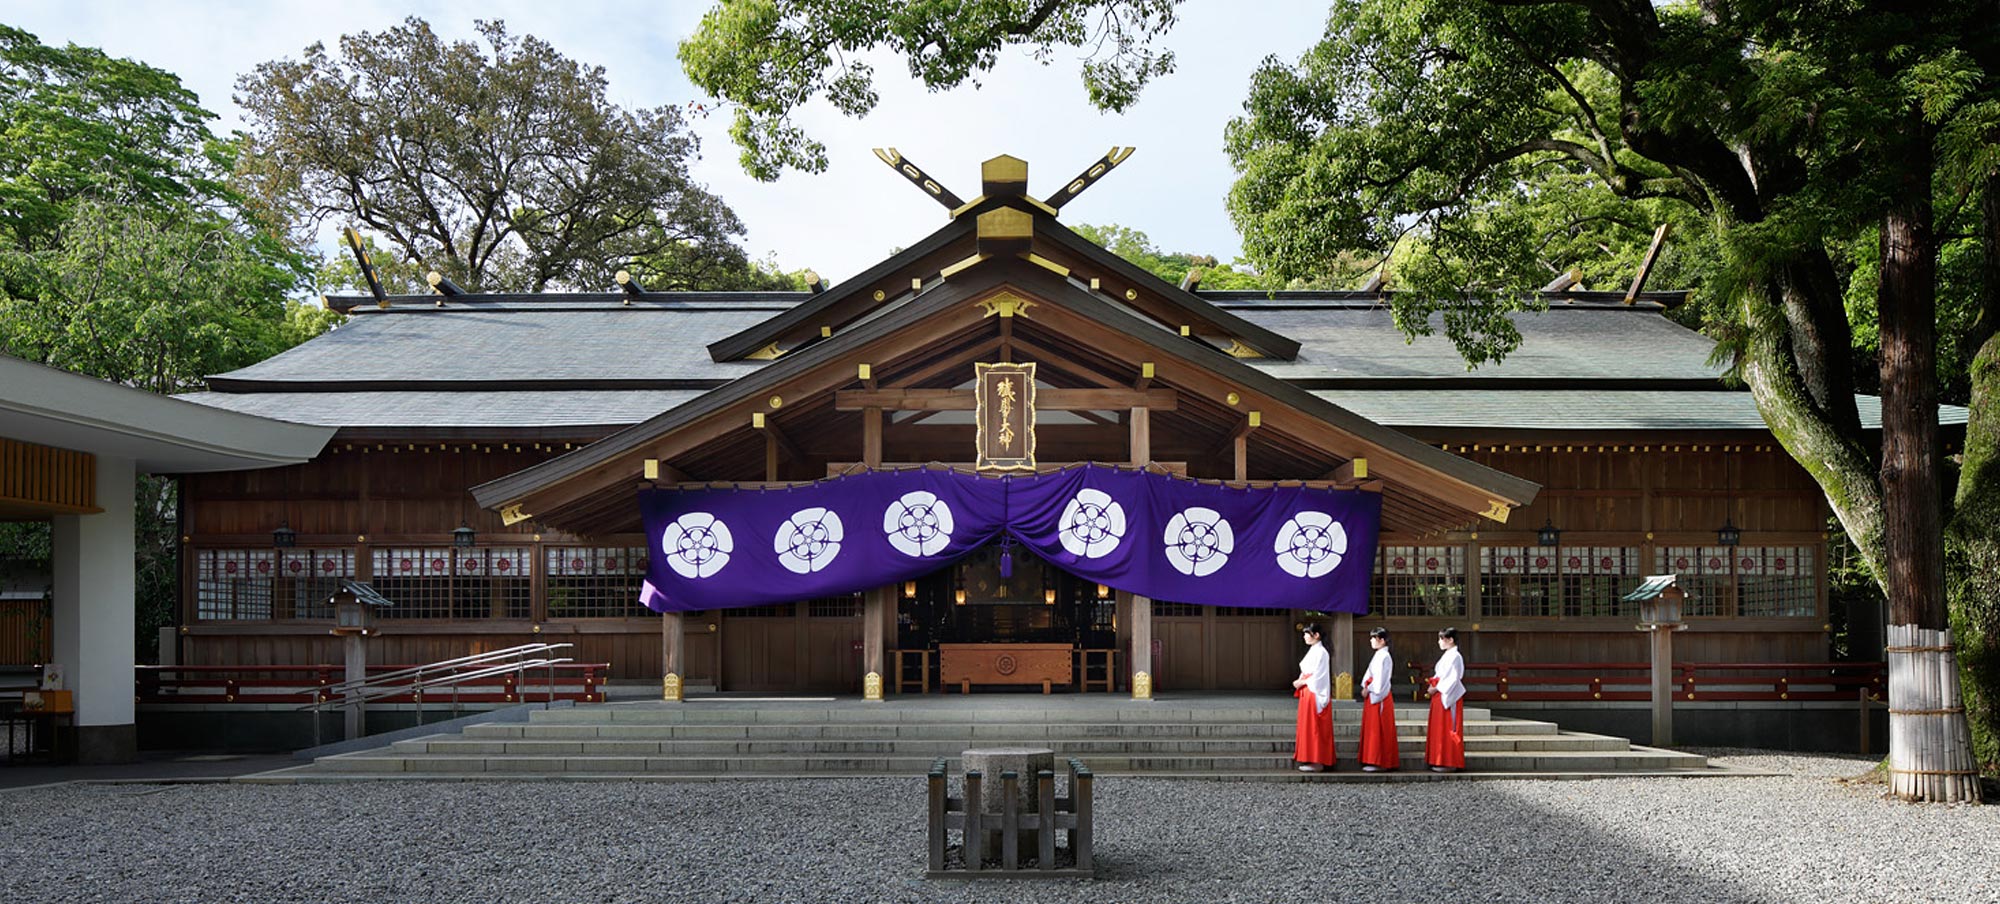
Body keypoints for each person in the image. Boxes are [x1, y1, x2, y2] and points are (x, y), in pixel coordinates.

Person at [1291, 623, 1336, 772]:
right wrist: (1301, 681)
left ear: (1316, 635)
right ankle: (1310, 758)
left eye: (1307, 633)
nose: (1304, 636)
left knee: (1314, 727)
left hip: (1314, 692)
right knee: (1308, 726)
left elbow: (1319, 676)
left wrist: (1302, 681)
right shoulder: (1314, 651)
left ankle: (1317, 761)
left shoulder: (1322, 652)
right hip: (1308, 691)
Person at [1357, 627, 1399, 772]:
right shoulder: (1379, 655)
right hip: (1373, 695)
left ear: (1381, 640)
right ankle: (1374, 759)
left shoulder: (1384, 656)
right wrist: (1366, 686)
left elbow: (1380, 680)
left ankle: (1380, 761)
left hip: (1379, 696)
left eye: (1373, 638)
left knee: (1379, 729)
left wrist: (1368, 688)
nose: (1371, 641)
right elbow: (1370, 674)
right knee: (1374, 728)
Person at [1426, 626, 1467, 772]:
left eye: (1441, 639)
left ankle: (1450, 761)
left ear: (1450, 640)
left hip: (1448, 696)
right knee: (1440, 729)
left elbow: (1453, 678)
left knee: (1449, 728)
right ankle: (1440, 760)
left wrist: (1436, 687)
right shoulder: (1449, 655)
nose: (1439, 642)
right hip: (1441, 693)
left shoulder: (1455, 656)